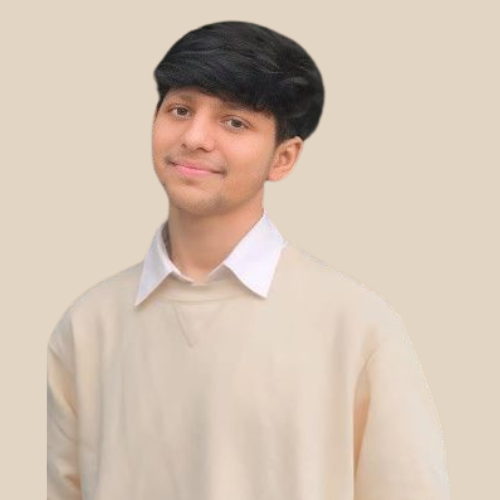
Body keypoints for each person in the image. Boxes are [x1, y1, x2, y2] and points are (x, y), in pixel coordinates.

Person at [47, 20, 450, 500]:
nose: (195, 137)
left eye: (234, 122)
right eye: (180, 110)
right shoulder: (87, 326)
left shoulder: (359, 327)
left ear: (284, 158)